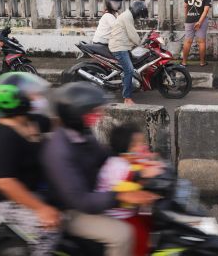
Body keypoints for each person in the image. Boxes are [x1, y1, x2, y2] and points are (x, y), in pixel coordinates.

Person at [42, 82, 158, 256]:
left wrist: (138, 166)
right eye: (94, 111)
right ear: (77, 115)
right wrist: (121, 196)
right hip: (71, 211)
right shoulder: (59, 151)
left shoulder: (82, 134)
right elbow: (81, 201)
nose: (100, 115)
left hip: (95, 196)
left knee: (147, 216)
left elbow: (105, 157)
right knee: (122, 234)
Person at [0, 72, 59, 256]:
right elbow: (4, 182)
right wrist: (41, 209)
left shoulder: (30, 121)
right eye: (32, 95)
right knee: (49, 232)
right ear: (18, 101)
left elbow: (58, 124)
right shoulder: (2, 138)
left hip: (35, 187)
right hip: (9, 200)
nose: (38, 99)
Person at [97, 123, 164, 256]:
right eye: (137, 144)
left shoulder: (127, 160)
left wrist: (154, 163)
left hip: (130, 209)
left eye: (142, 143)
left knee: (152, 221)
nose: (142, 147)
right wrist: (145, 177)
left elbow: (141, 165)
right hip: (119, 215)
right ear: (125, 148)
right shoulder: (116, 165)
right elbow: (127, 185)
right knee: (140, 235)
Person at [109, 0, 149, 105]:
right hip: (119, 47)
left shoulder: (128, 15)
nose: (139, 17)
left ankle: (129, 85)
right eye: (140, 15)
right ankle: (127, 98)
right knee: (129, 71)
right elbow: (132, 34)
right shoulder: (127, 17)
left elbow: (130, 34)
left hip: (123, 45)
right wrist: (141, 43)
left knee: (132, 65)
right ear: (136, 11)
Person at [181, 0, 212, 67]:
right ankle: (202, 62)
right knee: (201, 42)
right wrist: (199, 22)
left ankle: (184, 62)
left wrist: (187, 17)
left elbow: (185, 6)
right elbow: (206, 11)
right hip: (201, 21)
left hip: (189, 20)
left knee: (187, 41)